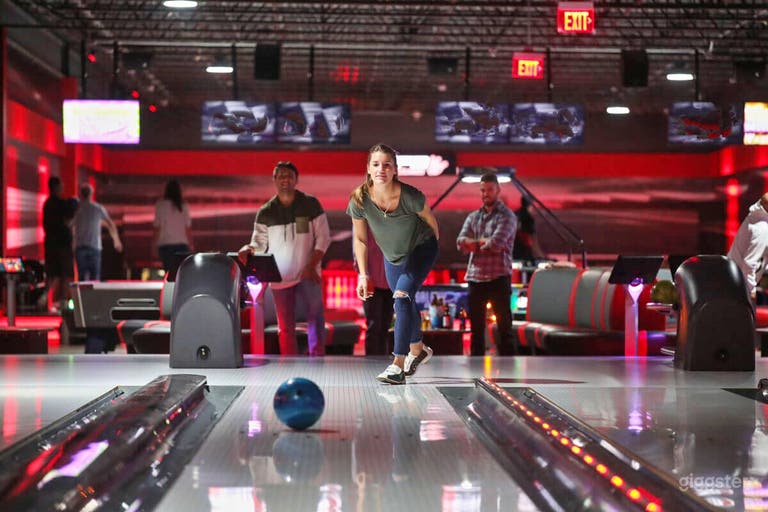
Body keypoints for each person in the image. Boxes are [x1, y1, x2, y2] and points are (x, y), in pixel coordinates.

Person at [348, 143, 440, 384]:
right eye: (376, 164)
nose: (381, 169)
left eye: (387, 164)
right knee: (405, 303)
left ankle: (398, 364)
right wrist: (363, 274)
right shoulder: (359, 199)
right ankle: (418, 350)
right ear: (368, 169)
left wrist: (422, 259)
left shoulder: (411, 196)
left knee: (400, 297)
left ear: (395, 170)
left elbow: (433, 227)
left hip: (421, 249)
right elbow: (360, 239)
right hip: (393, 258)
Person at [239, 161, 331, 356]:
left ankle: (318, 359)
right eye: (281, 176)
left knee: (315, 318)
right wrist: (248, 248)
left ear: (296, 179)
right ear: (274, 180)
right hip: (279, 278)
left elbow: (323, 238)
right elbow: (259, 243)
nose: (285, 179)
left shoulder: (310, 204)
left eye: (289, 175)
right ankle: (289, 364)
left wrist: (310, 265)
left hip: (309, 274)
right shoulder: (266, 211)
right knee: (285, 327)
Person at [456, 171, 518, 356]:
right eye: (482, 190)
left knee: (504, 329)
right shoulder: (473, 216)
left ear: (498, 190)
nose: (485, 194)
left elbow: (496, 244)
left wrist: (474, 243)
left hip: (499, 278)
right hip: (475, 279)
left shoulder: (507, 216)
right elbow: (460, 242)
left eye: (489, 190)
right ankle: (476, 373)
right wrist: (484, 242)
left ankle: (509, 374)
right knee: (476, 332)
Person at [354, 226, 394, 356]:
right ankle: (371, 362)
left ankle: (383, 360)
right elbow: (358, 245)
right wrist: (363, 275)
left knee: (386, 325)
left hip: (391, 281)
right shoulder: (364, 217)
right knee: (374, 325)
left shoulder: (394, 215)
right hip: (370, 281)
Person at [72, 184, 123, 281]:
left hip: (80, 246)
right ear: (91, 194)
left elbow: (70, 226)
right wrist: (116, 241)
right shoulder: (97, 208)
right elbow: (110, 224)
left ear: (81, 194)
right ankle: (93, 296)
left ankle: (82, 296)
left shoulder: (77, 209)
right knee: (95, 278)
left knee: (82, 277)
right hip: (94, 246)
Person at [42, 176, 77, 312]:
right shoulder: (62, 204)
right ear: (56, 187)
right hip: (62, 246)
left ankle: (45, 300)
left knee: (52, 274)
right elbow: (68, 218)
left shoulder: (47, 204)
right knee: (66, 275)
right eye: (61, 186)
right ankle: (63, 304)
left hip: (50, 245)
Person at [727, 192, 768, 300]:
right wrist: (751, 291)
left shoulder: (756, 215)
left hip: (732, 279)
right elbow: (749, 264)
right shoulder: (762, 229)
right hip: (737, 287)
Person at [154, 179, 193, 273]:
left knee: (169, 273)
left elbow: (157, 228)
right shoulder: (184, 206)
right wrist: (191, 244)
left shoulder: (160, 205)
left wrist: (154, 245)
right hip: (182, 245)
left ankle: (170, 288)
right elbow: (187, 228)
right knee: (180, 273)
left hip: (165, 245)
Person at [512, 196, 545, 262]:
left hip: (512, 252)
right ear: (530, 206)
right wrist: (542, 257)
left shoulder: (514, 215)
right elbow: (533, 242)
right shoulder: (528, 220)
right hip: (523, 254)